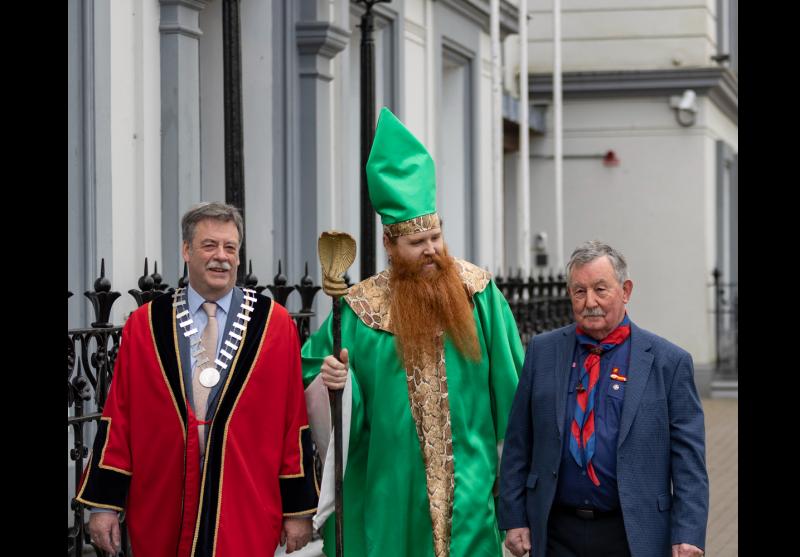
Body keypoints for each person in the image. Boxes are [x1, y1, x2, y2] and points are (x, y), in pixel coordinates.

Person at [301, 107, 524, 557]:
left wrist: (515, 494)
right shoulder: (358, 310)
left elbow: (515, 389)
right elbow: (315, 379)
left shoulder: (478, 294)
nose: (431, 251)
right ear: (388, 244)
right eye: (417, 243)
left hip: (473, 484)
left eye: (436, 238)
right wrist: (336, 385)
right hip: (387, 490)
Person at [77, 202, 317, 557]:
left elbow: (292, 421)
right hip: (163, 500)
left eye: (230, 248)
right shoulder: (146, 324)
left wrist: (298, 510)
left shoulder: (275, 324)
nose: (221, 257)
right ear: (186, 250)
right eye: (210, 245)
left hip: (246, 499)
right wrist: (103, 505)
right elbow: (119, 417)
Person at [499, 240, 709, 557]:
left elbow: (689, 460)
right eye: (579, 291)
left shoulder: (669, 362)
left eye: (601, 289)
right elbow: (518, 442)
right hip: (557, 531)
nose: (590, 302)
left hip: (633, 534)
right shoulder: (543, 352)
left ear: (625, 291)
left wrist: (689, 532)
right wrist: (514, 517)